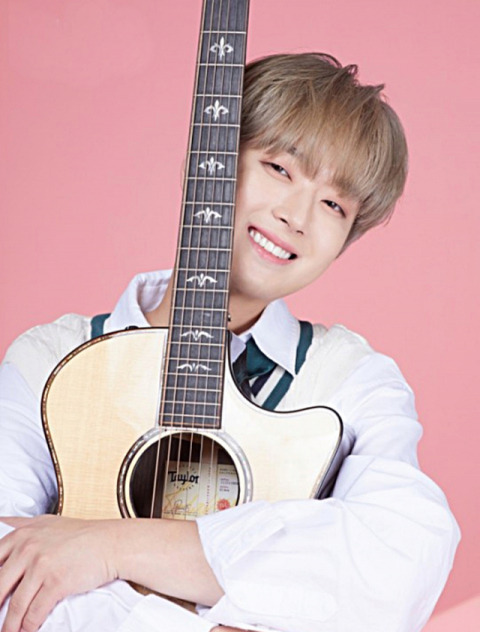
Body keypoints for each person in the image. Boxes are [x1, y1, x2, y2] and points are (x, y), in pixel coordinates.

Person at [0, 53, 460, 632]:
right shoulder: (49, 361)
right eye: (280, 168)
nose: (296, 216)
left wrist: (110, 546)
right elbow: (6, 574)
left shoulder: (351, 381)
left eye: (334, 204)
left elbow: (400, 561)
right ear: (210, 164)